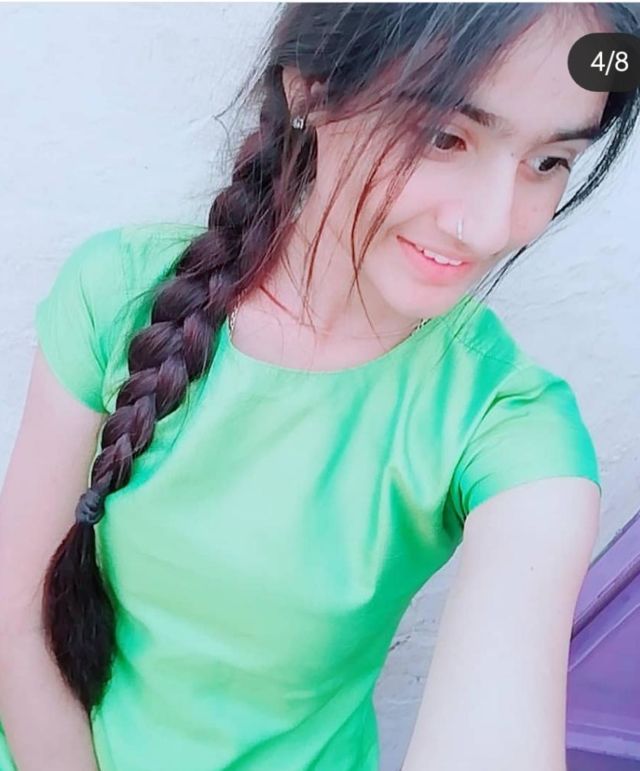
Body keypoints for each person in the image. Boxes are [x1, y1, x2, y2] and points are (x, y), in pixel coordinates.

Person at [0, 3, 638, 770]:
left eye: (549, 161)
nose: (493, 224)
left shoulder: (508, 423)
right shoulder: (120, 292)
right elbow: (16, 614)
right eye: (445, 137)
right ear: (310, 91)